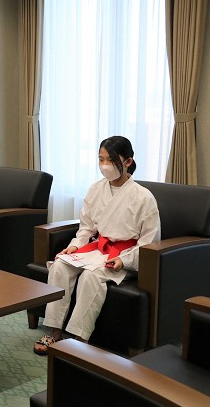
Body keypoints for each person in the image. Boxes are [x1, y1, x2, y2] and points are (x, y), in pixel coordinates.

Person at [33, 136, 160, 355]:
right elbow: (87, 227)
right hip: (97, 249)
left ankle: (80, 339)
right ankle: (54, 331)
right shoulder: (95, 189)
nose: (104, 166)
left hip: (123, 256)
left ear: (128, 161)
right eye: (101, 159)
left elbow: (149, 240)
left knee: (91, 277)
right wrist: (75, 246)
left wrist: (124, 260)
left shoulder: (144, 197)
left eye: (110, 160)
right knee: (60, 265)